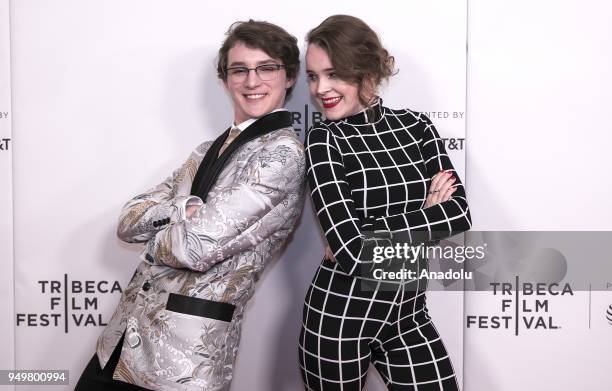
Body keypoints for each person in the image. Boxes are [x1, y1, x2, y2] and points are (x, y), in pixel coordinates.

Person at [75, 20, 306, 391]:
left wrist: (153, 244)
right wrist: (185, 209)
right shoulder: (205, 150)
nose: (252, 81)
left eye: (266, 68)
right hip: (120, 342)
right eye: (239, 69)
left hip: (182, 360)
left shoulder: (282, 155)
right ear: (225, 79)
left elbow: (194, 248)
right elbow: (127, 222)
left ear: (289, 76)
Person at [298, 15, 471, 391]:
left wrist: (367, 232)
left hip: (409, 314)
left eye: (333, 74)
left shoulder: (417, 126)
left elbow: (459, 213)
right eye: (313, 76)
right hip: (339, 318)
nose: (320, 89)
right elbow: (351, 252)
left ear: (366, 70)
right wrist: (426, 214)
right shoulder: (323, 140)